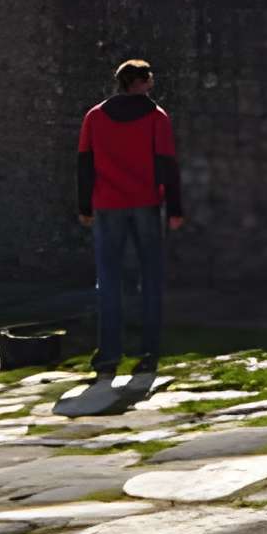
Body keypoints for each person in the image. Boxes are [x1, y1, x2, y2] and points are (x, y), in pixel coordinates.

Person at [75, 59, 182, 380]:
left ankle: (108, 355)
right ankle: (149, 352)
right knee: (151, 278)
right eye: (149, 79)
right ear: (141, 82)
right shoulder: (156, 117)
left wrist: (84, 207)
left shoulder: (95, 116)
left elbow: (85, 164)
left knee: (108, 280)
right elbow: (167, 164)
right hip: (145, 203)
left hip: (108, 204)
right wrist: (175, 209)